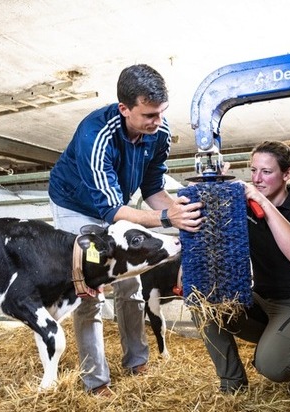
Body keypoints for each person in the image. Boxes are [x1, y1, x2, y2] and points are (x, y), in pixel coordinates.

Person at [48, 64, 204, 395]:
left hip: (117, 203)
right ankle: (96, 380)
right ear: (124, 109)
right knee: (88, 291)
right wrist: (166, 220)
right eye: (148, 114)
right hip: (76, 207)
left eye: (161, 112)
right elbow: (110, 212)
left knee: (130, 282)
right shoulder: (96, 135)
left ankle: (137, 360)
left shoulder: (158, 133)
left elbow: (152, 190)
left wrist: (181, 211)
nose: (157, 121)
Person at [195, 140, 290, 394]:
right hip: (261, 303)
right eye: (253, 170)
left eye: (266, 172)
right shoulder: (245, 208)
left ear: (287, 174)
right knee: (204, 303)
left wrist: (264, 205)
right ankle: (232, 384)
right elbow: (212, 229)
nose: (257, 179)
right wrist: (214, 188)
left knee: (272, 366)